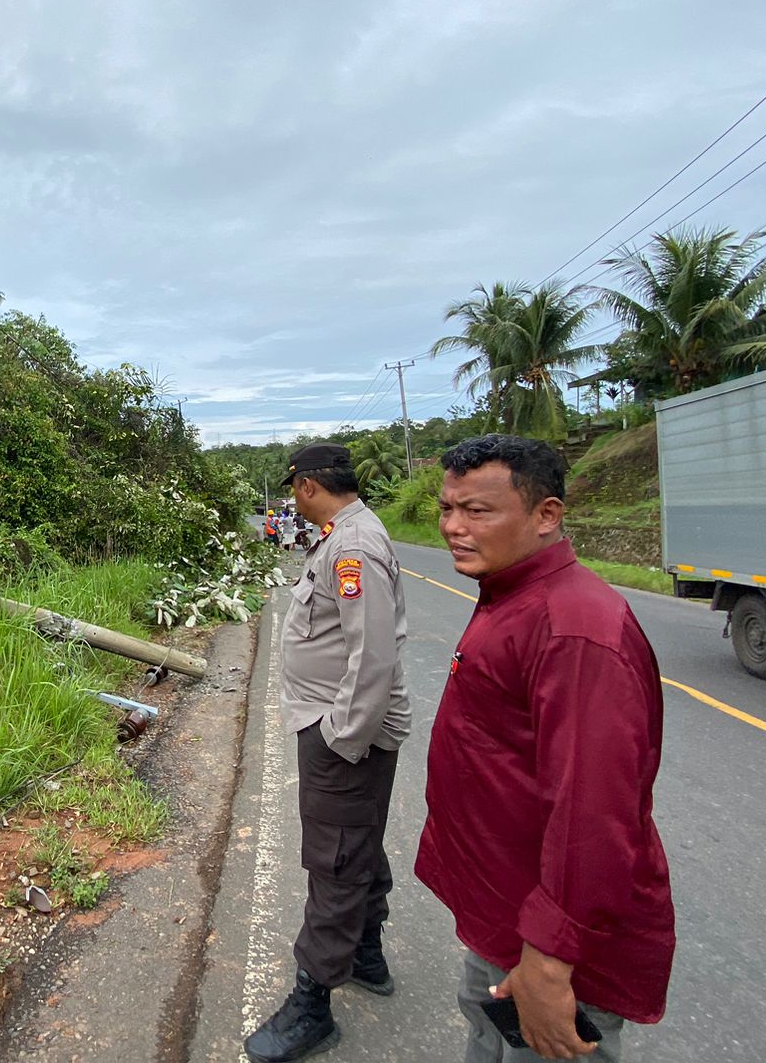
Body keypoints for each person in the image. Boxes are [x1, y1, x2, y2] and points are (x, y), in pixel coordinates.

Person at [416, 435, 675, 1062]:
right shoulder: (513, 595)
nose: (453, 526)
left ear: (546, 515)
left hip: (551, 951)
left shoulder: (574, 630)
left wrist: (552, 960)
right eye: (448, 508)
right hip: (508, 915)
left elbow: (593, 814)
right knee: (488, 1039)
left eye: (477, 511)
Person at [245, 443, 411, 1063]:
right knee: (354, 837)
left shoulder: (353, 547)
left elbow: (372, 658)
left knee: (335, 859)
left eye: (294, 487)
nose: (292, 497)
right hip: (335, 722)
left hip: (343, 731)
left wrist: (341, 738)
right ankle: (367, 955)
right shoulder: (341, 536)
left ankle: (312, 1003)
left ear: (309, 486)